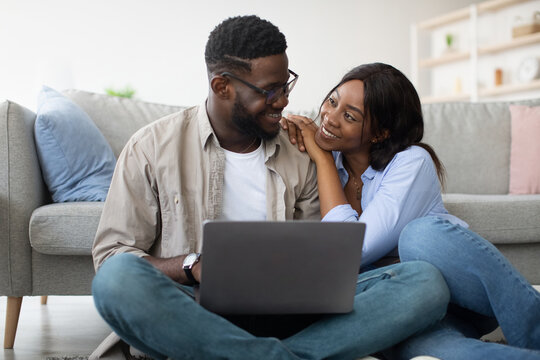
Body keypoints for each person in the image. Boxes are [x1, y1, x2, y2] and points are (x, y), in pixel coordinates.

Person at [91, 17, 451, 360]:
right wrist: (193, 265)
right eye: (270, 91)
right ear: (222, 86)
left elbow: (327, 259)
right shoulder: (151, 148)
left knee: (425, 282)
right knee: (115, 280)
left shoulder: (299, 151)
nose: (283, 101)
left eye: (286, 85)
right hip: (195, 308)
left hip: (290, 312)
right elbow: (111, 255)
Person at [283, 62, 540, 360]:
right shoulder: (319, 163)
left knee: (420, 235)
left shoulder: (411, 162)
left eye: (349, 115)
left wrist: (324, 162)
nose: (329, 117)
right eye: (332, 101)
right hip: (404, 302)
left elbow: (354, 249)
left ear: (380, 133)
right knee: (433, 352)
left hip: (459, 293)